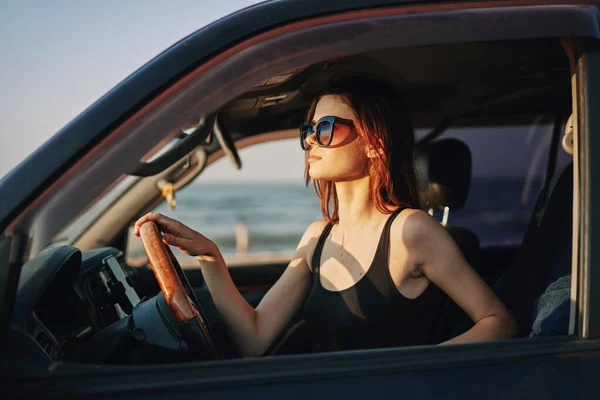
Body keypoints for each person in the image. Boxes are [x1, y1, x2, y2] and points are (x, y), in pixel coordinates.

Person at [134, 76, 518, 357]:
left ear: (375, 145)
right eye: (309, 130)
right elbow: (254, 338)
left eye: (327, 128)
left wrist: (413, 367)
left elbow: (498, 321)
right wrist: (210, 257)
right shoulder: (317, 239)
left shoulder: (411, 231)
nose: (312, 141)